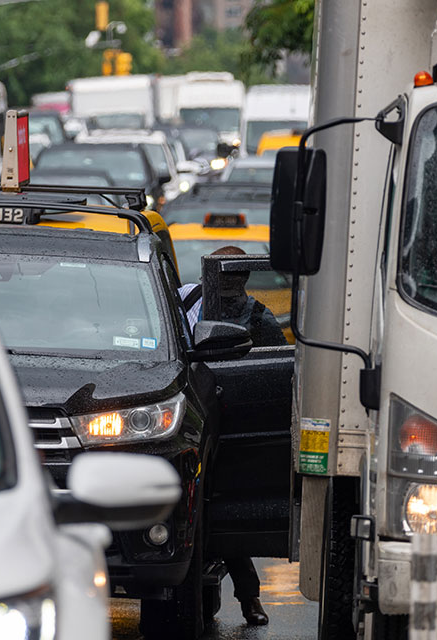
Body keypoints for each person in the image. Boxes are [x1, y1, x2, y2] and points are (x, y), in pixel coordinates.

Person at [176, 245, 281, 626]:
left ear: (243, 280)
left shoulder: (258, 317)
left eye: (232, 281)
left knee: (222, 512)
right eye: (220, 279)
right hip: (185, 415)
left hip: (231, 422)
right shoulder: (186, 300)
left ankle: (249, 597)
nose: (225, 288)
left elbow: (275, 371)